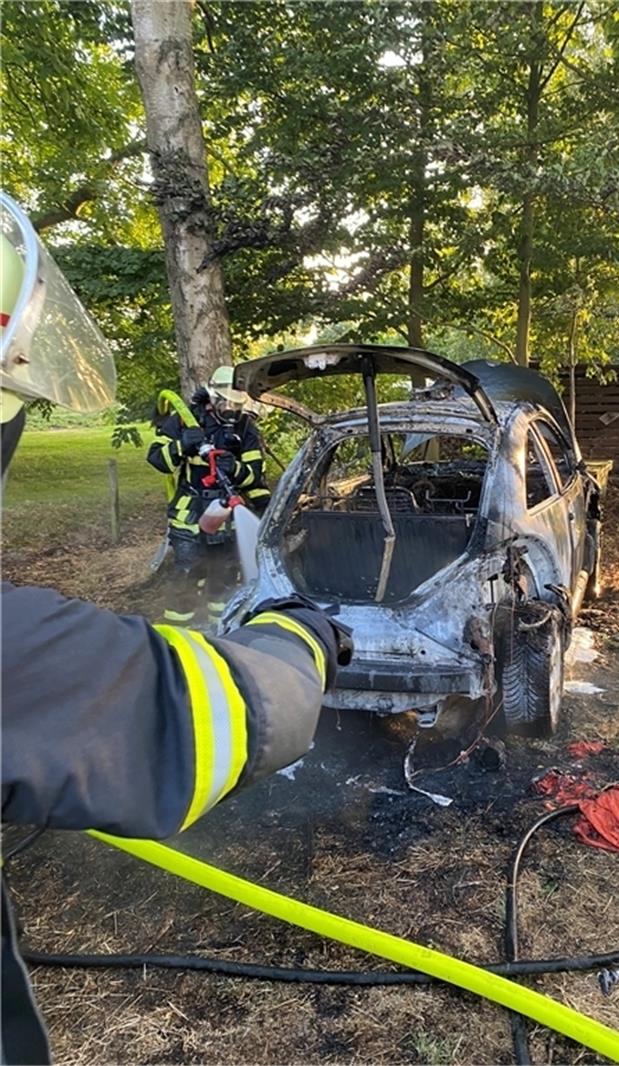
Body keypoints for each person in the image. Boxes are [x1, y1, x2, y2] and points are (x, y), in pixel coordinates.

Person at [0, 192, 352, 1065]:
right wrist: (300, 637)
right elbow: (196, 713)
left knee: (201, 608)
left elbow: (264, 482)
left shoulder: (243, 429)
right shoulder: (179, 414)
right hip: (189, 533)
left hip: (226, 534)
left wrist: (249, 490)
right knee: (186, 611)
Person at [148, 366, 271, 625]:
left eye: (236, 404)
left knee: (225, 577)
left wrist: (235, 469)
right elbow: (157, 459)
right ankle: (178, 633)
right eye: (224, 402)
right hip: (189, 512)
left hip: (227, 515)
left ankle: (221, 629)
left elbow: (255, 476)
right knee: (187, 574)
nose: (230, 409)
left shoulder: (246, 428)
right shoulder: (185, 420)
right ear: (212, 396)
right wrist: (182, 445)